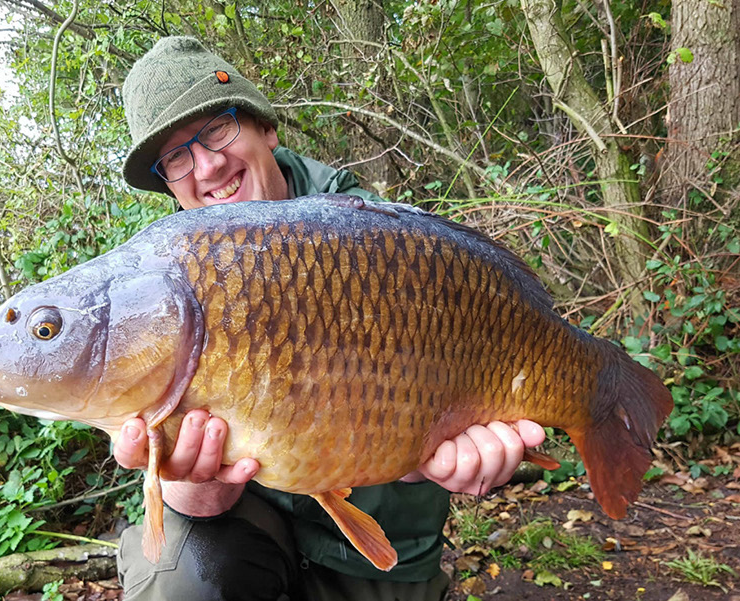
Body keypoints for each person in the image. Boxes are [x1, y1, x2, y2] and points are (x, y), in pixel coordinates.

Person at [113, 36, 545, 600]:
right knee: (175, 575)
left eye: (216, 127)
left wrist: (445, 457)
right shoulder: (166, 282)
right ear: (169, 185)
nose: (207, 163)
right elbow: (197, 508)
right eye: (175, 157)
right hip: (250, 534)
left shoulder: (377, 240)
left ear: (266, 128)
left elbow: (439, 410)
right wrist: (190, 478)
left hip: (382, 550)